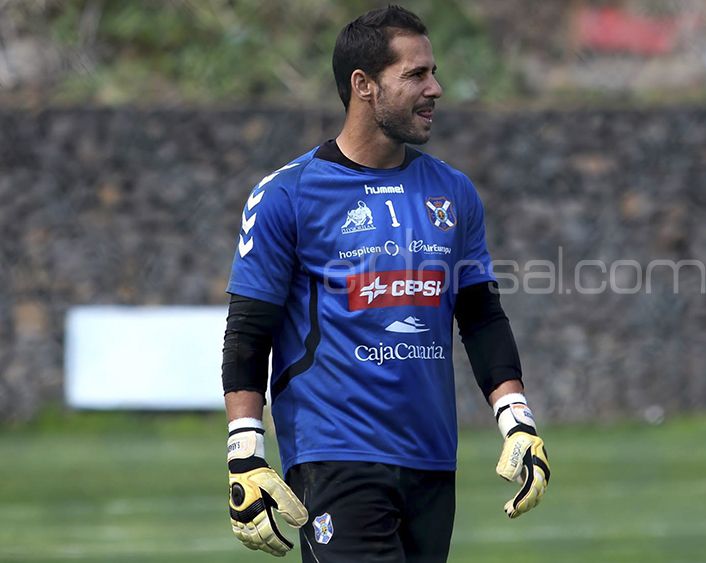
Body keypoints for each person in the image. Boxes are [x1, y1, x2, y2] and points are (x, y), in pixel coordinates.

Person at [220, 6, 549, 562]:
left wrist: (518, 422)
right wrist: (246, 451)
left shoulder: (454, 191)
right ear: (363, 85)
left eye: (433, 72)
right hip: (334, 455)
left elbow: (480, 315)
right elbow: (249, 330)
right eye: (416, 75)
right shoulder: (286, 194)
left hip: (431, 458)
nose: (435, 88)